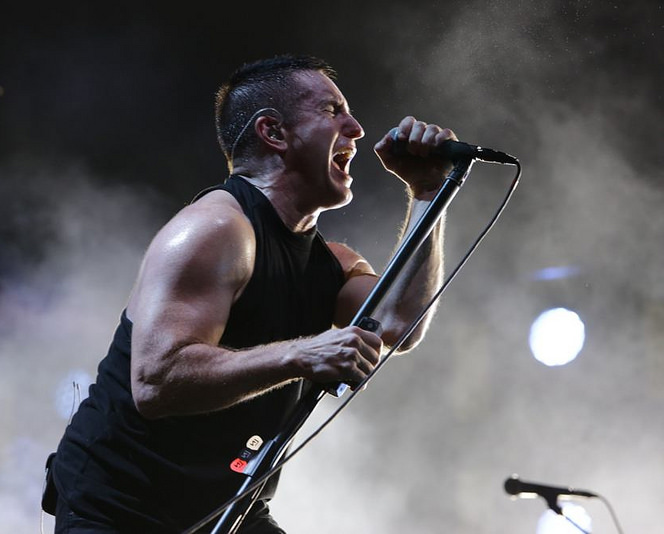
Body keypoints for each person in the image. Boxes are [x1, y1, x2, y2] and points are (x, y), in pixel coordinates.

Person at [49, 54, 457, 533]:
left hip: (228, 507)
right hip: (120, 506)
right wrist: (302, 355)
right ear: (274, 132)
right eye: (331, 111)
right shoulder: (216, 229)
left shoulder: (336, 263)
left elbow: (398, 325)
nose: (358, 128)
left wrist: (429, 194)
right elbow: (156, 382)